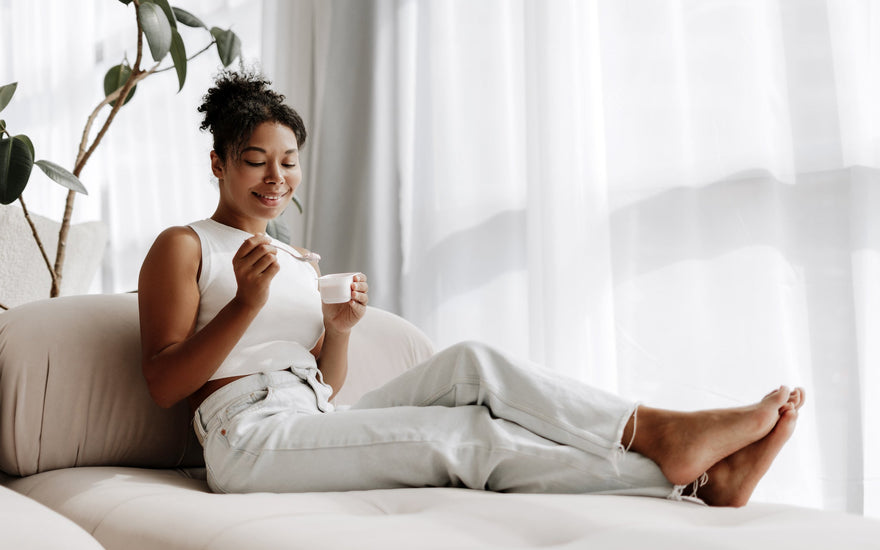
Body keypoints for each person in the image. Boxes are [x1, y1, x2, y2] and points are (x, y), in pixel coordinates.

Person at [138, 69, 805, 506]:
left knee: (471, 364)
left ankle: (654, 429)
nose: (276, 177)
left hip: (312, 414)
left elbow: (327, 384)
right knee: (462, 438)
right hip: (244, 439)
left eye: (288, 162)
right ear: (219, 163)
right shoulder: (186, 245)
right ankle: (689, 487)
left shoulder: (298, 259)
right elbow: (166, 383)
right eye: (255, 161)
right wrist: (246, 306)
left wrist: (338, 333)